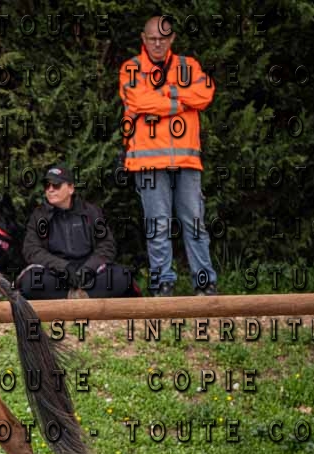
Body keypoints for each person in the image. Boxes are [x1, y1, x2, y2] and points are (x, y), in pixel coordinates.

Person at [119, 15, 218, 296]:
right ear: (143, 38)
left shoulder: (189, 65)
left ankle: (205, 283)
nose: (157, 44)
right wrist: (181, 101)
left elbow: (205, 95)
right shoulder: (131, 68)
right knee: (157, 225)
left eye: (163, 39)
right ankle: (163, 284)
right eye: (152, 39)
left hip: (186, 160)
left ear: (172, 38)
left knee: (195, 223)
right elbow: (139, 101)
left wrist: (165, 93)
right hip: (147, 161)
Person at [19, 164, 137, 300]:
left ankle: (82, 296)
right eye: (47, 185)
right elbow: (31, 250)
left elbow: (106, 245)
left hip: (90, 275)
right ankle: (75, 297)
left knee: (121, 276)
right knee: (30, 281)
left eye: (56, 185)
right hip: (56, 275)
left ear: (71, 188)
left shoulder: (91, 212)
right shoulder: (38, 215)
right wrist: (63, 267)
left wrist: (88, 269)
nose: (50, 189)